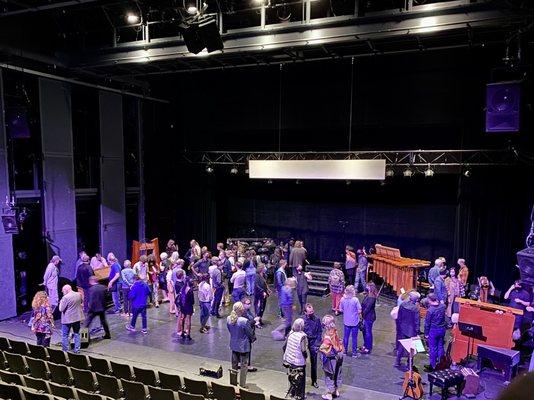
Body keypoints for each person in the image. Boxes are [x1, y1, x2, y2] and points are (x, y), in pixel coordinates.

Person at [227, 302, 255, 388]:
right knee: (244, 365)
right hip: (244, 346)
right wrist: (253, 339)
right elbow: (250, 333)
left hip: (234, 344)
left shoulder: (229, 319)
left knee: (234, 364)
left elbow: (229, 330)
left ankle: (233, 382)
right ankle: (242, 384)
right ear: (241, 310)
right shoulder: (244, 321)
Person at [283, 318, 308, 400]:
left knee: (292, 377)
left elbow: (285, 346)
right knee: (300, 380)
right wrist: (306, 357)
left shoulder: (290, 333)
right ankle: (300, 396)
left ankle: (292, 393)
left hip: (290, 360)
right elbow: (303, 350)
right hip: (298, 362)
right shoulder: (302, 336)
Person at [319, 315, 344, 400]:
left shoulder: (327, 336)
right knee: (337, 373)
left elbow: (324, 348)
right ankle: (336, 391)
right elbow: (339, 341)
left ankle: (329, 393)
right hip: (339, 355)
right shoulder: (335, 331)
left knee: (329, 375)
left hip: (331, 358)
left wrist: (319, 349)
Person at [394, 291, 420, 367]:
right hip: (412, 330)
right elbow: (417, 321)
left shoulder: (403, 304)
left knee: (401, 346)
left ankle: (397, 361)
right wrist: (417, 331)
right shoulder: (415, 309)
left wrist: (398, 326)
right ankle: (409, 364)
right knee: (412, 348)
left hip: (402, 328)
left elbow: (399, 317)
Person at [424, 293, 447, 371]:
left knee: (433, 348)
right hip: (442, 329)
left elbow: (427, 323)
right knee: (440, 346)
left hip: (433, 330)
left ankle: (433, 366)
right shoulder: (443, 306)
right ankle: (441, 364)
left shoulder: (430, 310)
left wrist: (426, 334)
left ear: (430, 300)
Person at [58, 285, 84, 353]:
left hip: (67, 319)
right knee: (77, 334)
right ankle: (77, 349)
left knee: (65, 335)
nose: (62, 292)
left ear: (66, 290)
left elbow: (61, 309)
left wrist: (61, 301)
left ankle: (65, 350)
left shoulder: (65, 297)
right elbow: (81, 302)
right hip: (77, 318)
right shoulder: (78, 294)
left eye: (63, 290)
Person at [303, 303, 322, 388]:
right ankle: (301, 380)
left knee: (314, 362)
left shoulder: (317, 319)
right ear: (305, 312)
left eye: (312, 311)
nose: (311, 313)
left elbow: (319, 332)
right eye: (309, 312)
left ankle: (314, 380)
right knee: (301, 362)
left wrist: (317, 343)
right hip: (305, 341)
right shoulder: (302, 320)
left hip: (313, 341)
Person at [339, 285, 362, 357]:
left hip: (346, 321)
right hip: (354, 322)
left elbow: (340, 309)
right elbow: (359, 310)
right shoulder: (355, 300)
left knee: (345, 337)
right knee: (354, 338)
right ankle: (354, 353)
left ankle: (344, 351)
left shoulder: (342, 299)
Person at [360, 283, 377, 354]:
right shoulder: (368, 295)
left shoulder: (372, 297)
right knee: (364, 331)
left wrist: (361, 314)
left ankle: (368, 348)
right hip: (365, 316)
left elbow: (368, 308)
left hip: (369, 317)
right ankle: (365, 345)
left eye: (367, 287)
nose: (366, 288)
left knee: (368, 332)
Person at [243, 297, 258, 372]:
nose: (249, 305)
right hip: (246, 334)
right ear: (243, 304)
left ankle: (244, 364)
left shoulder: (248, 311)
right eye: (247, 303)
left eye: (250, 303)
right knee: (247, 350)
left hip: (250, 331)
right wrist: (254, 321)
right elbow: (247, 324)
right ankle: (247, 365)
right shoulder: (243, 313)